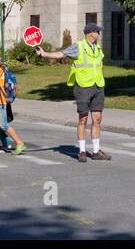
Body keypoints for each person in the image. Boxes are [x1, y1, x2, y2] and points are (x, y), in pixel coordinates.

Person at [36, 23, 110, 162]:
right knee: (83, 119)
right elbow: (61, 54)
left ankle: (96, 151)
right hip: (83, 87)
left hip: (98, 86)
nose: (99, 34)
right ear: (90, 33)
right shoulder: (79, 46)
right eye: (97, 32)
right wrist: (44, 54)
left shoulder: (98, 48)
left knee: (97, 119)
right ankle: (82, 151)